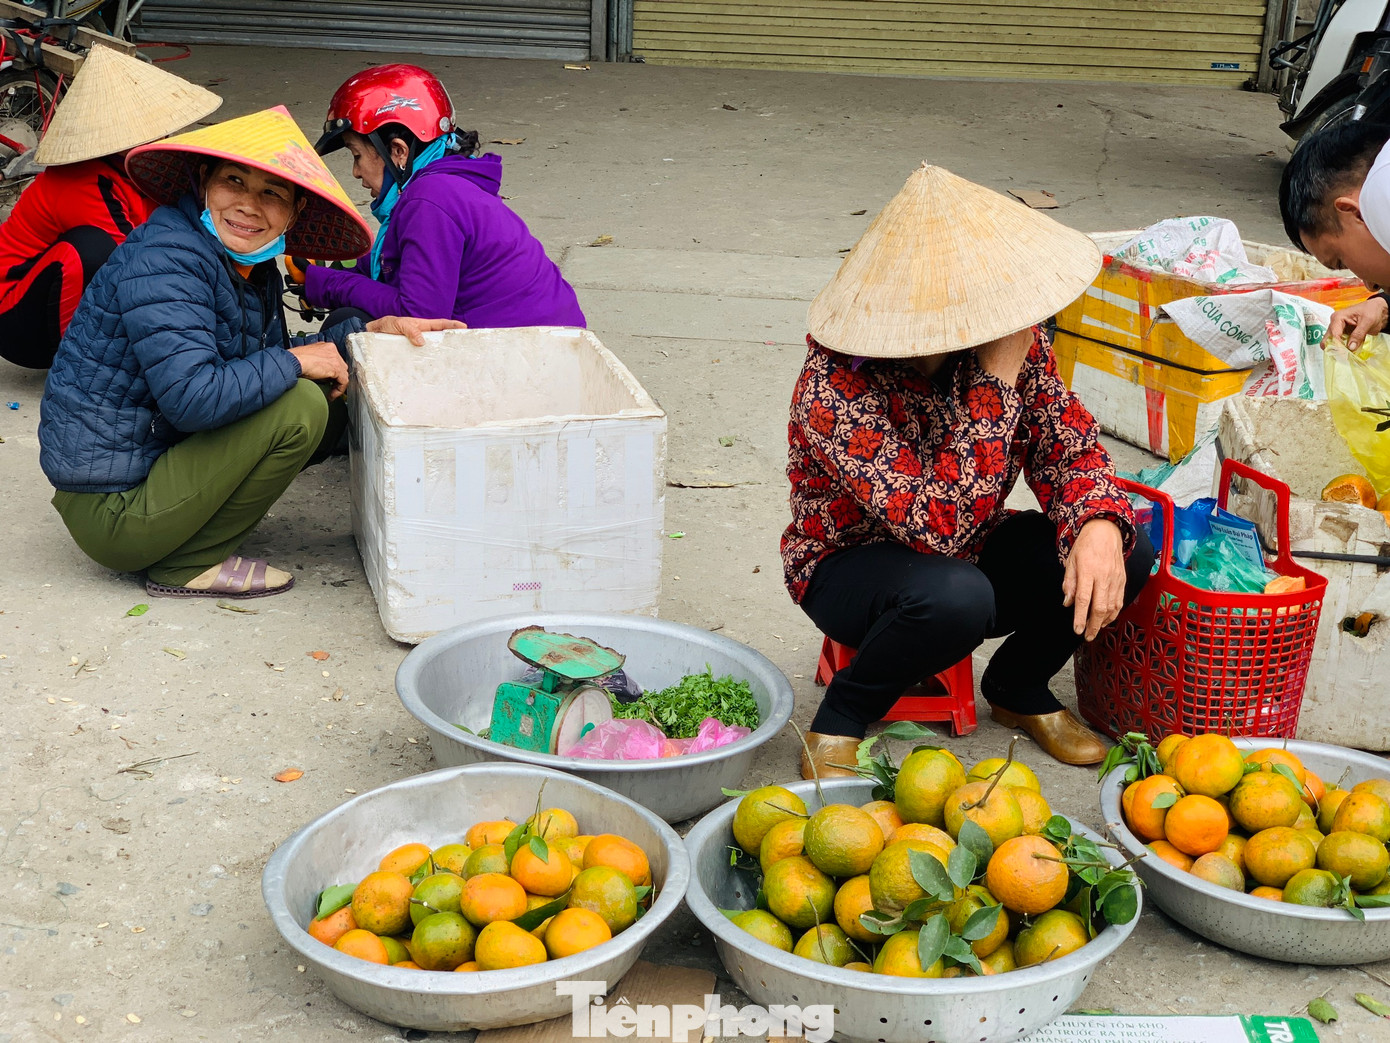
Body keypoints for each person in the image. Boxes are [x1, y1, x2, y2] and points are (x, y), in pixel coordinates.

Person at [784, 163, 1155, 779]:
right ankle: (842, 717)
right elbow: (938, 530)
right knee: (957, 595)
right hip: (849, 562)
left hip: (972, 540)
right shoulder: (833, 386)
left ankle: (1018, 686)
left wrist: (1098, 524)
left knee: (1125, 544)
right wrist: (994, 382)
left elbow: (1071, 447)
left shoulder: (1010, 344)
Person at [39, 106, 461, 600]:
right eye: (233, 183)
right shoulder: (167, 260)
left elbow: (256, 359)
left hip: (154, 468)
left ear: (295, 211)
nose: (248, 206)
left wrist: (366, 339)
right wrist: (301, 362)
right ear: (203, 182)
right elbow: (194, 397)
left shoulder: (245, 265)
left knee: (341, 355)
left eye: (272, 194)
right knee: (301, 405)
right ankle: (188, 562)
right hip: (114, 511)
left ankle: (187, 535)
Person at [301, 63, 585, 330]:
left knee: (347, 322)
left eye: (357, 155)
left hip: (532, 361)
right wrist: (341, 272)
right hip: (533, 347)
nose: (355, 172)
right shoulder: (446, 184)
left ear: (398, 152)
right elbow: (403, 261)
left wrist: (329, 286)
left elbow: (418, 317)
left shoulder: (431, 199)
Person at [0, 45, 221, 369]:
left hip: (61, 302)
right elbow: (135, 268)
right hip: (17, 319)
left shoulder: (141, 169)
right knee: (94, 252)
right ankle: (83, 368)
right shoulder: (79, 181)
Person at [1279, 119, 1390, 348]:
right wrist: (1383, 307)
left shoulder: (1382, 191)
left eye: (1340, 260)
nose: (1370, 285)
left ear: (1355, 214)